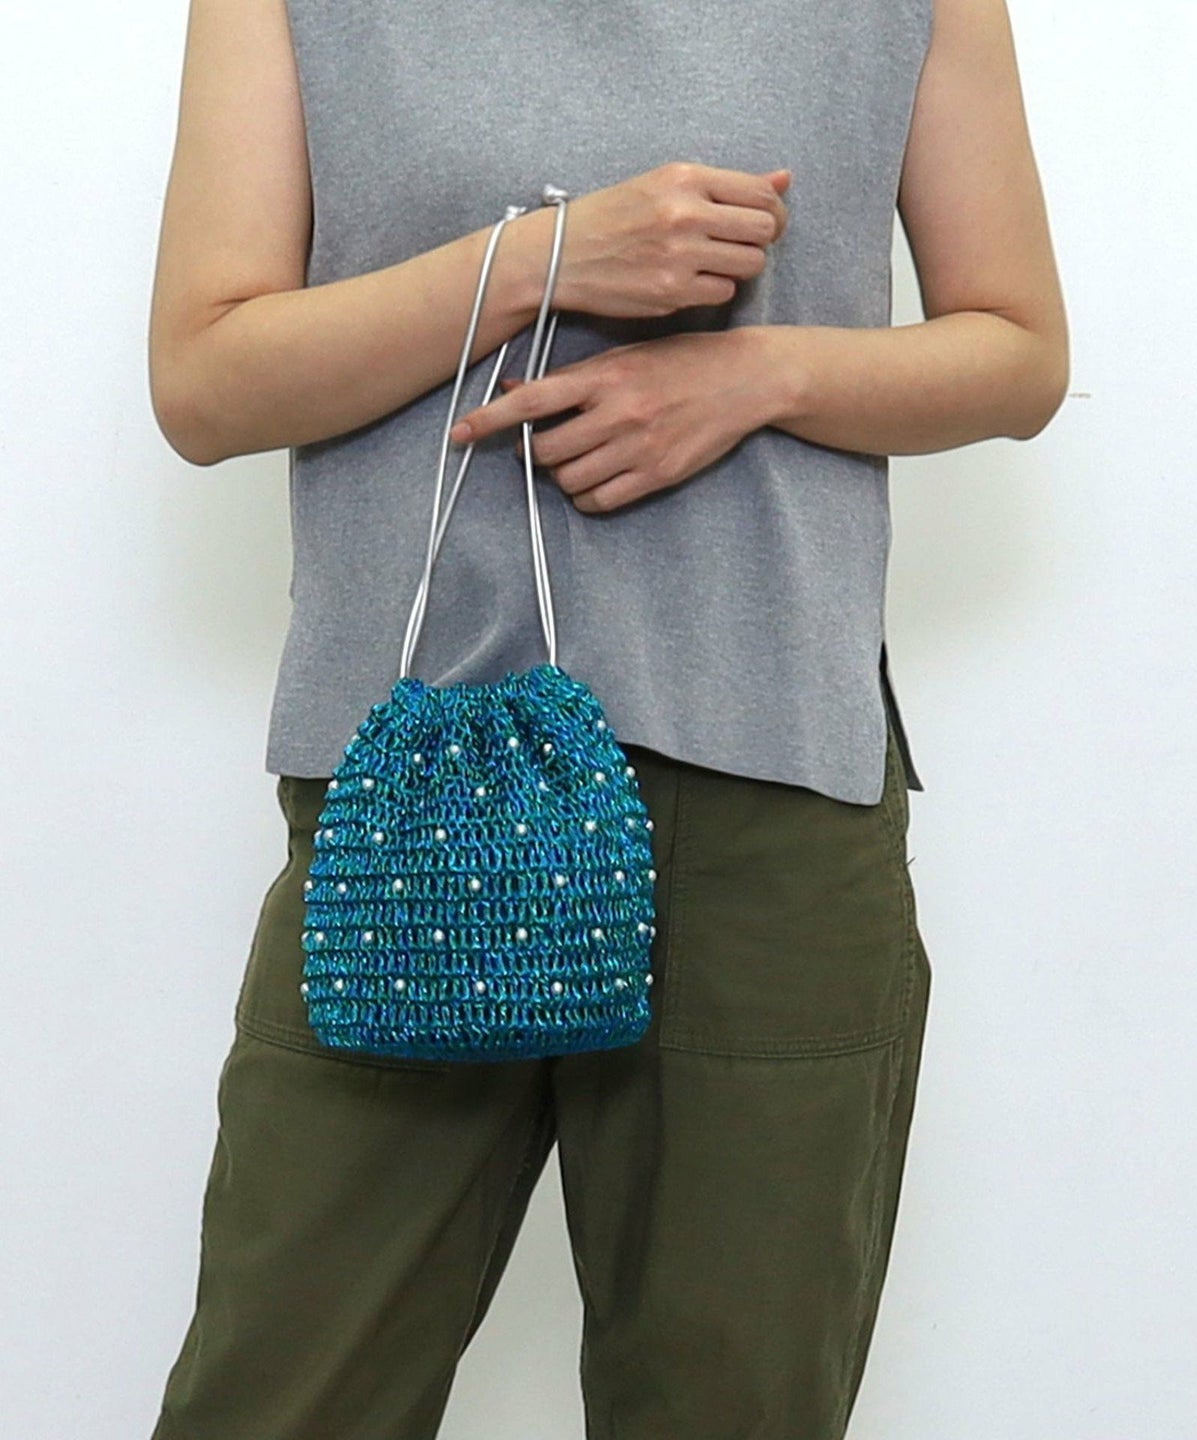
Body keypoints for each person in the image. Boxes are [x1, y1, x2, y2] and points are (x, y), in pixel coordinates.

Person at [145, 0, 1069, 1435]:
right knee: (280, 1395)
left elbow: (1018, 350)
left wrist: (760, 375)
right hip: (415, 797)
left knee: (735, 1406)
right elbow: (203, 383)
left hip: (767, 790)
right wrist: (541, 260)